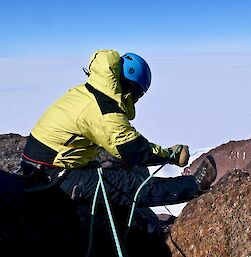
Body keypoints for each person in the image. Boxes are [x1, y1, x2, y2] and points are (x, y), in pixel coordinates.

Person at [20, 50, 217, 256]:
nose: (137, 99)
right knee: (131, 186)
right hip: (52, 175)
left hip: (41, 165)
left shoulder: (91, 91)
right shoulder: (102, 108)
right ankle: (193, 185)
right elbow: (133, 150)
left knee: (125, 174)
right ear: (129, 87)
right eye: (138, 94)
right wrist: (170, 155)